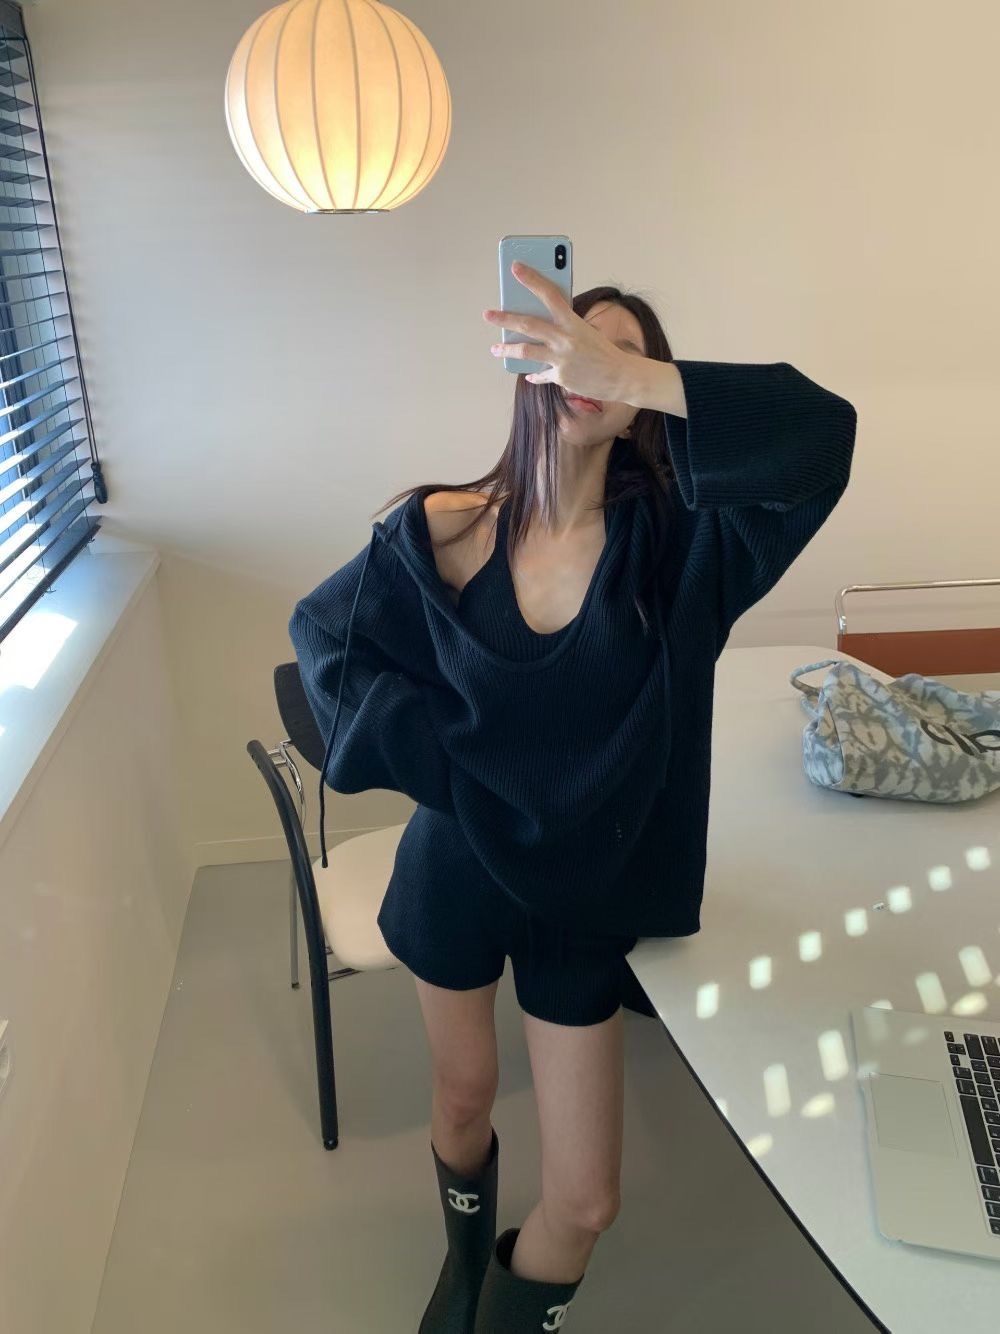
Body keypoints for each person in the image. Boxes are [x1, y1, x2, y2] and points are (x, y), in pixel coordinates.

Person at [288, 262, 858, 1332]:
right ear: (528, 369)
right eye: (571, 343)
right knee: (462, 1097)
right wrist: (442, 766)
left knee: (587, 1198)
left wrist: (639, 376)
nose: (590, 363)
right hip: (456, 871)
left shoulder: (685, 548)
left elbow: (824, 436)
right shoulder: (451, 528)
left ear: (640, 398)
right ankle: (464, 1268)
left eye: (618, 354)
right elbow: (323, 642)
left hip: (586, 893)